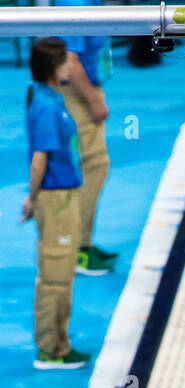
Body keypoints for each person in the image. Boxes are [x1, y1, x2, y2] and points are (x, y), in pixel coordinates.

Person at [22, 39, 90, 371]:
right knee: (55, 278)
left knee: (61, 275)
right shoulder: (47, 105)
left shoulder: (48, 95)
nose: (70, 66)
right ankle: (51, 349)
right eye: (65, 61)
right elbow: (39, 160)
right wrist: (32, 199)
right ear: (53, 66)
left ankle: (58, 341)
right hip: (56, 198)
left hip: (63, 195)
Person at [55, 0, 116, 274]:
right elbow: (69, 64)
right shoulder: (75, 1)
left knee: (92, 167)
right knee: (93, 166)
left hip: (84, 90)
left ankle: (83, 243)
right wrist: (93, 101)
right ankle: (76, 249)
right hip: (76, 94)